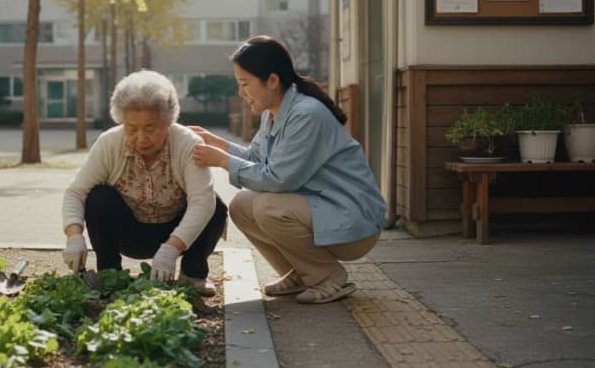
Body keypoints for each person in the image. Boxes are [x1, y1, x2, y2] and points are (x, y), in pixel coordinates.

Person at [190, 36, 385, 304]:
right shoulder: (274, 112)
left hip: (354, 220)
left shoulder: (306, 114)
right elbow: (255, 157)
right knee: (241, 205)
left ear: (272, 80)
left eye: (245, 84)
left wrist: (221, 160)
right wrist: (218, 143)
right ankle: (300, 274)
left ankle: (328, 277)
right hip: (323, 211)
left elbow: (278, 179)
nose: (241, 93)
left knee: (268, 206)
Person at [61, 70, 227, 296]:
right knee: (98, 197)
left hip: (176, 231)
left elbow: (201, 203)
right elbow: (76, 193)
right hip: (129, 232)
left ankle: (193, 275)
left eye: (150, 128)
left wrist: (171, 248)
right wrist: (74, 236)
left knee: (214, 205)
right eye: (132, 128)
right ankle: (110, 275)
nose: (141, 137)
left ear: (169, 122)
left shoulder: (188, 145)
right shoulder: (109, 143)